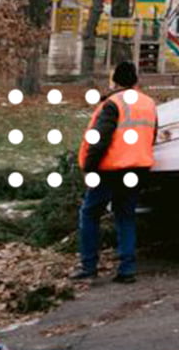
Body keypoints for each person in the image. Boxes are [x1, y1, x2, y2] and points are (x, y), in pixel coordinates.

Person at [72, 61, 157, 283]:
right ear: (135, 80)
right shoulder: (149, 103)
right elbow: (152, 136)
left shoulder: (113, 104)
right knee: (125, 216)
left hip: (110, 169)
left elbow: (99, 140)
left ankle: (89, 266)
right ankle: (127, 270)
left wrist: (89, 167)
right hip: (138, 168)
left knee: (90, 214)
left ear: (115, 81)